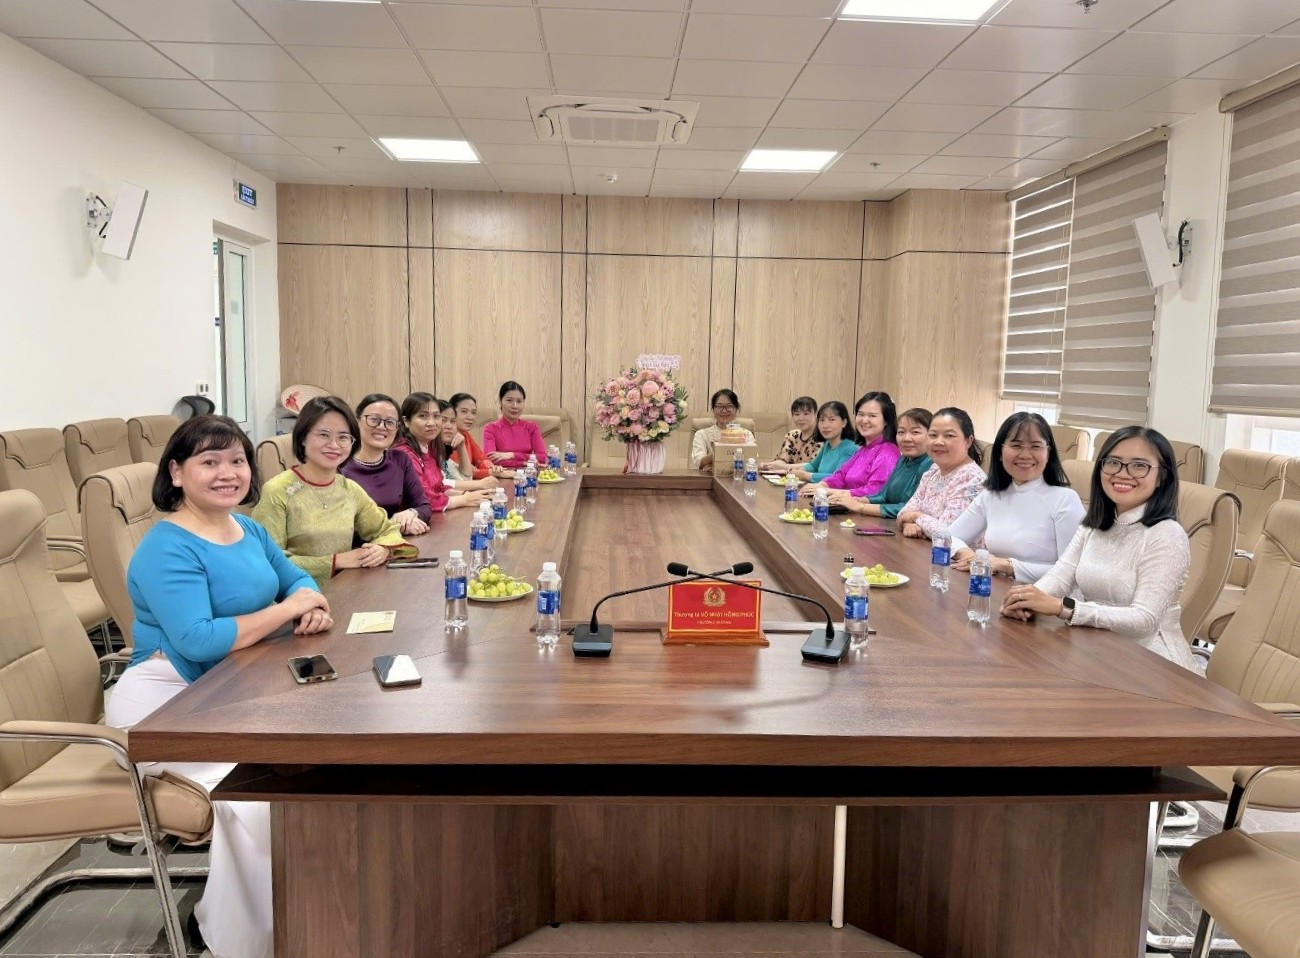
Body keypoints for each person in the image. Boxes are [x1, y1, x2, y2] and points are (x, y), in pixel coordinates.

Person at [104, 415, 331, 958]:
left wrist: (309, 605)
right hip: (164, 707)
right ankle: (241, 942)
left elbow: (298, 579)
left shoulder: (247, 529)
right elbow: (199, 639)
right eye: (209, 462)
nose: (228, 473)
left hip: (228, 691)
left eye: (237, 461)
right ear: (176, 473)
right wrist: (288, 609)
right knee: (257, 799)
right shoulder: (166, 548)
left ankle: (313, 914)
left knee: (313, 771)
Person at [1001, 426, 1197, 670]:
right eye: (1113, 462)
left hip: (1151, 664)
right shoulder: (1094, 524)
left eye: (1139, 465)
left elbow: (1145, 620)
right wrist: (1026, 600)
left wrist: (1064, 608)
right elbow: (1061, 576)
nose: (1123, 473)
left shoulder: (1166, 534)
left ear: (1162, 477)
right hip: (1097, 649)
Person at [253, 396, 414, 586]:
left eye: (343, 437)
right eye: (324, 435)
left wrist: (383, 549)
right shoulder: (277, 491)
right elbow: (268, 562)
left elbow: (386, 530)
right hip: (296, 595)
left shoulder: (350, 489)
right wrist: (336, 561)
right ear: (303, 437)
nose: (334, 445)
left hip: (344, 588)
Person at [949, 412, 1085, 582]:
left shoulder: (1065, 500)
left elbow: (1073, 572)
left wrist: (1008, 566)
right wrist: (968, 555)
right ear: (1000, 452)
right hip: (996, 588)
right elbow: (949, 536)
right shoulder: (991, 496)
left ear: (1048, 453)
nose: (1026, 455)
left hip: (1043, 594)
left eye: (1036, 446)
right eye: (1016, 445)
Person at [341, 393, 431, 536]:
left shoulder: (400, 459)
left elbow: (423, 506)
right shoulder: (339, 464)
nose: (382, 427)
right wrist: (395, 525)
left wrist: (410, 514)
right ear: (357, 421)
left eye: (390, 422)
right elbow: (340, 524)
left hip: (392, 543)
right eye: (374, 419)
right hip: (358, 546)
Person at [895, 406, 986, 539]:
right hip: (925, 548)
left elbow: (947, 532)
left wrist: (915, 516)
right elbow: (903, 513)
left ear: (968, 441)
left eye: (949, 435)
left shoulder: (972, 479)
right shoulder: (933, 471)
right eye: (933, 435)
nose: (938, 441)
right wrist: (908, 524)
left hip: (960, 552)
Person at [393, 392, 489, 511]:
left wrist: (468, 495)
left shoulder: (428, 447)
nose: (432, 423)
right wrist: (466, 499)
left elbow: (439, 487)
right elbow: (425, 498)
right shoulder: (403, 453)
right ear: (406, 421)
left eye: (436, 416)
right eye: (423, 416)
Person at [835, 407, 932, 518]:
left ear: (932, 435)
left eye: (915, 432)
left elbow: (910, 508)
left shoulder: (931, 465)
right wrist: (857, 500)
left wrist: (860, 507)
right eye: (901, 432)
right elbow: (884, 496)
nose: (906, 438)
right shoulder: (903, 459)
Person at [801, 391, 899, 499]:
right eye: (861, 414)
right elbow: (841, 475)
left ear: (886, 421)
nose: (864, 420)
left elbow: (874, 491)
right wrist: (821, 485)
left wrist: (828, 491)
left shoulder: (888, 452)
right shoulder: (864, 449)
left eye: (872, 416)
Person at [437, 398, 500, 491]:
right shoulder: (427, 451)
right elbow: (438, 485)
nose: (449, 426)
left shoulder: (463, 437)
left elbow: (467, 476)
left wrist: (461, 447)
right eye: (464, 411)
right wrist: (481, 483)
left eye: (452, 421)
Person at [482, 380, 547, 469]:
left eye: (519, 401)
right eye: (509, 400)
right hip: (503, 474)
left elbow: (542, 458)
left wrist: (511, 455)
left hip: (528, 475)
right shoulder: (490, 429)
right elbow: (491, 460)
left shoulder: (532, 427)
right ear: (501, 402)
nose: (515, 406)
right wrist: (524, 463)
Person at [449, 391, 511, 480]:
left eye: (473, 412)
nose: (470, 417)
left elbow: (481, 459)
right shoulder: (447, 437)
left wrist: (492, 467)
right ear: (451, 413)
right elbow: (462, 472)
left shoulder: (465, 434)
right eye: (464, 411)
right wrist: (492, 473)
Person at [791, 401, 858, 483]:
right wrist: (801, 469)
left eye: (832, 419)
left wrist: (806, 475)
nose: (825, 426)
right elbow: (813, 466)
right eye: (822, 420)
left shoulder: (850, 448)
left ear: (844, 422)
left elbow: (838, 477)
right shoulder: (827, 444)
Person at [691, 388, 757, 472]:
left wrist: (715, 463)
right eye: (719, 406)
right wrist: (720, 450)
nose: (724, 411)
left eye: (729, 406)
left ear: (736, 409)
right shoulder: (701, 434)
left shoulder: (746, 434)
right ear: (713, 409)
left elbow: (753, 460)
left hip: (739, 477)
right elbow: (699, 462)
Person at [761, 396, 819, 472]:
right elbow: (783, 460)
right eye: (797, 414)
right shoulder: (792, 435)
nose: (801, 418)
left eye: (806, 414)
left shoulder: (822, 437)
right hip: (788, 478)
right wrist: (769, 465)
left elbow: (814, 466)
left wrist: (784, 467)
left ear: (816, 414)